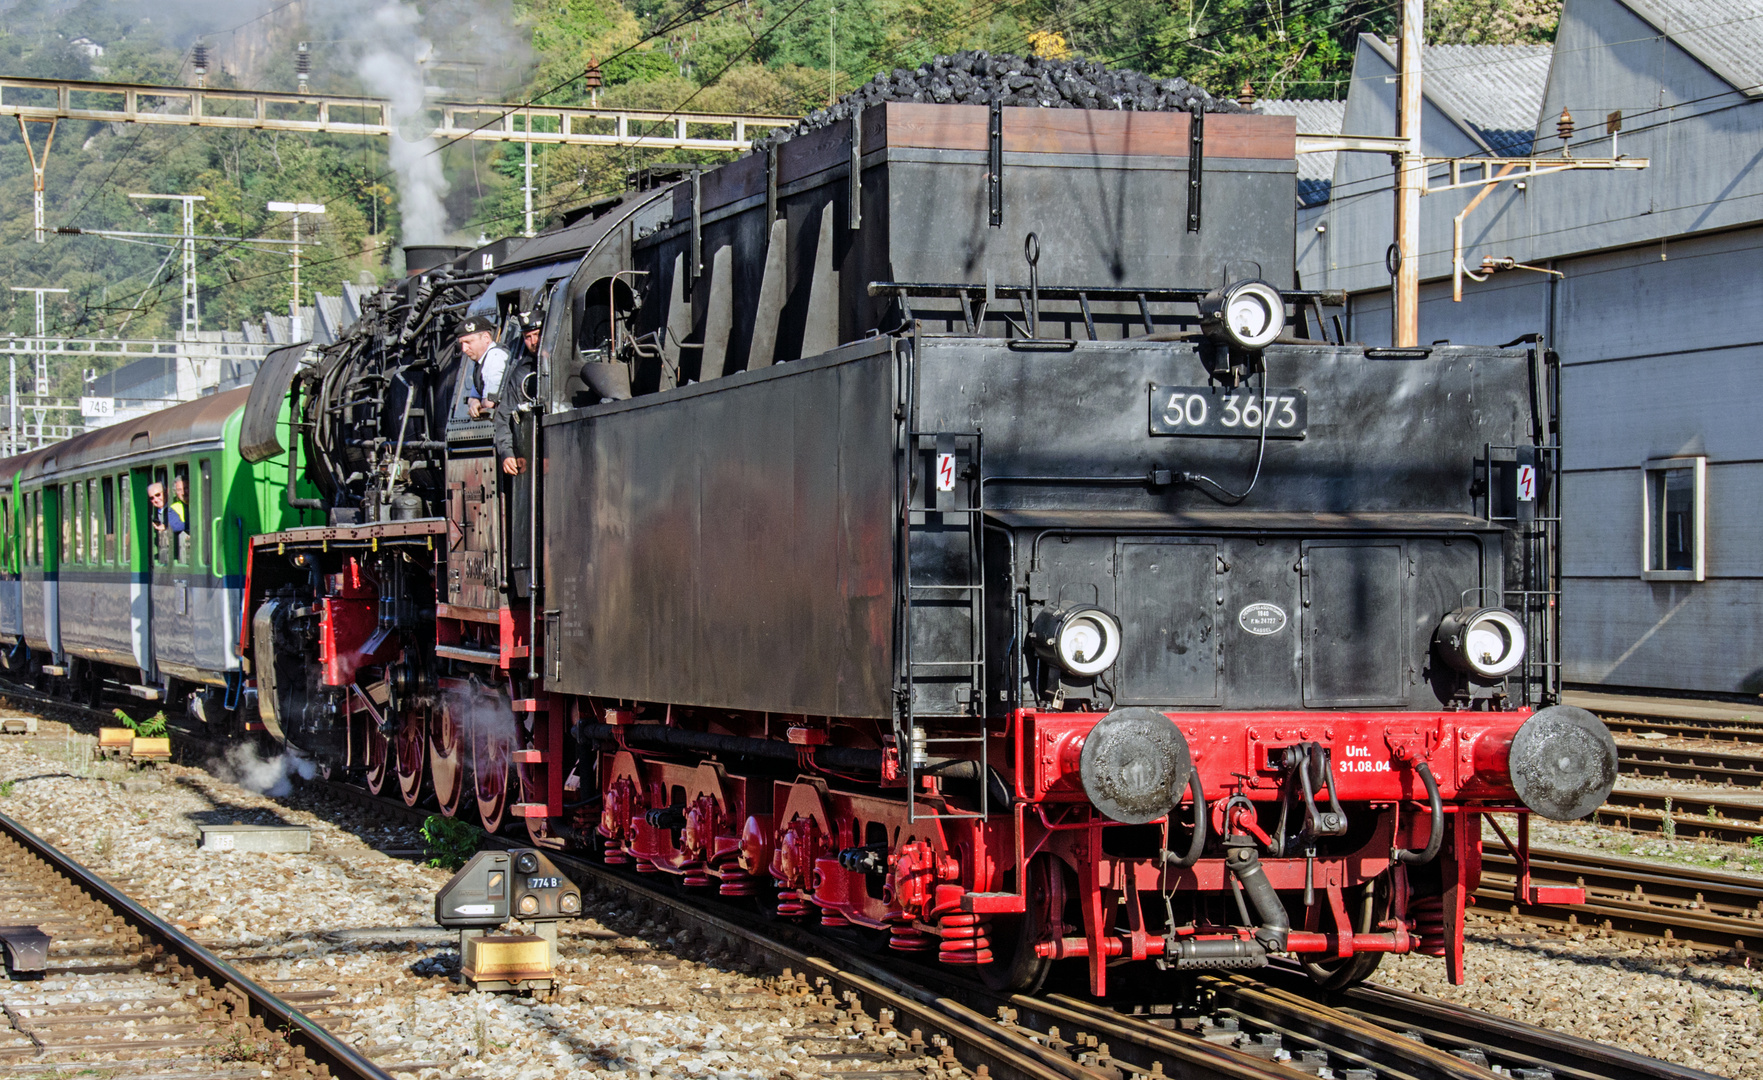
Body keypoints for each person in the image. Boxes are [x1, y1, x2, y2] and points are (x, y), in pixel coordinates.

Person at [493, 312, 542, 475]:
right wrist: (507, 453)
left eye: (537, 334)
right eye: (528, 337)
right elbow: (503, 416)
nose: (533, 342)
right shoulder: (522, 372)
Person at [456, 315, 510, 419]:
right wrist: (473, 402)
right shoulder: (481, 362)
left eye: (468, 342)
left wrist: (479, 403)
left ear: (486, 338)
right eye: (462, 344)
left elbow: (489, 403)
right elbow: (473, 396)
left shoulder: (495, 357)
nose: (464, 349)